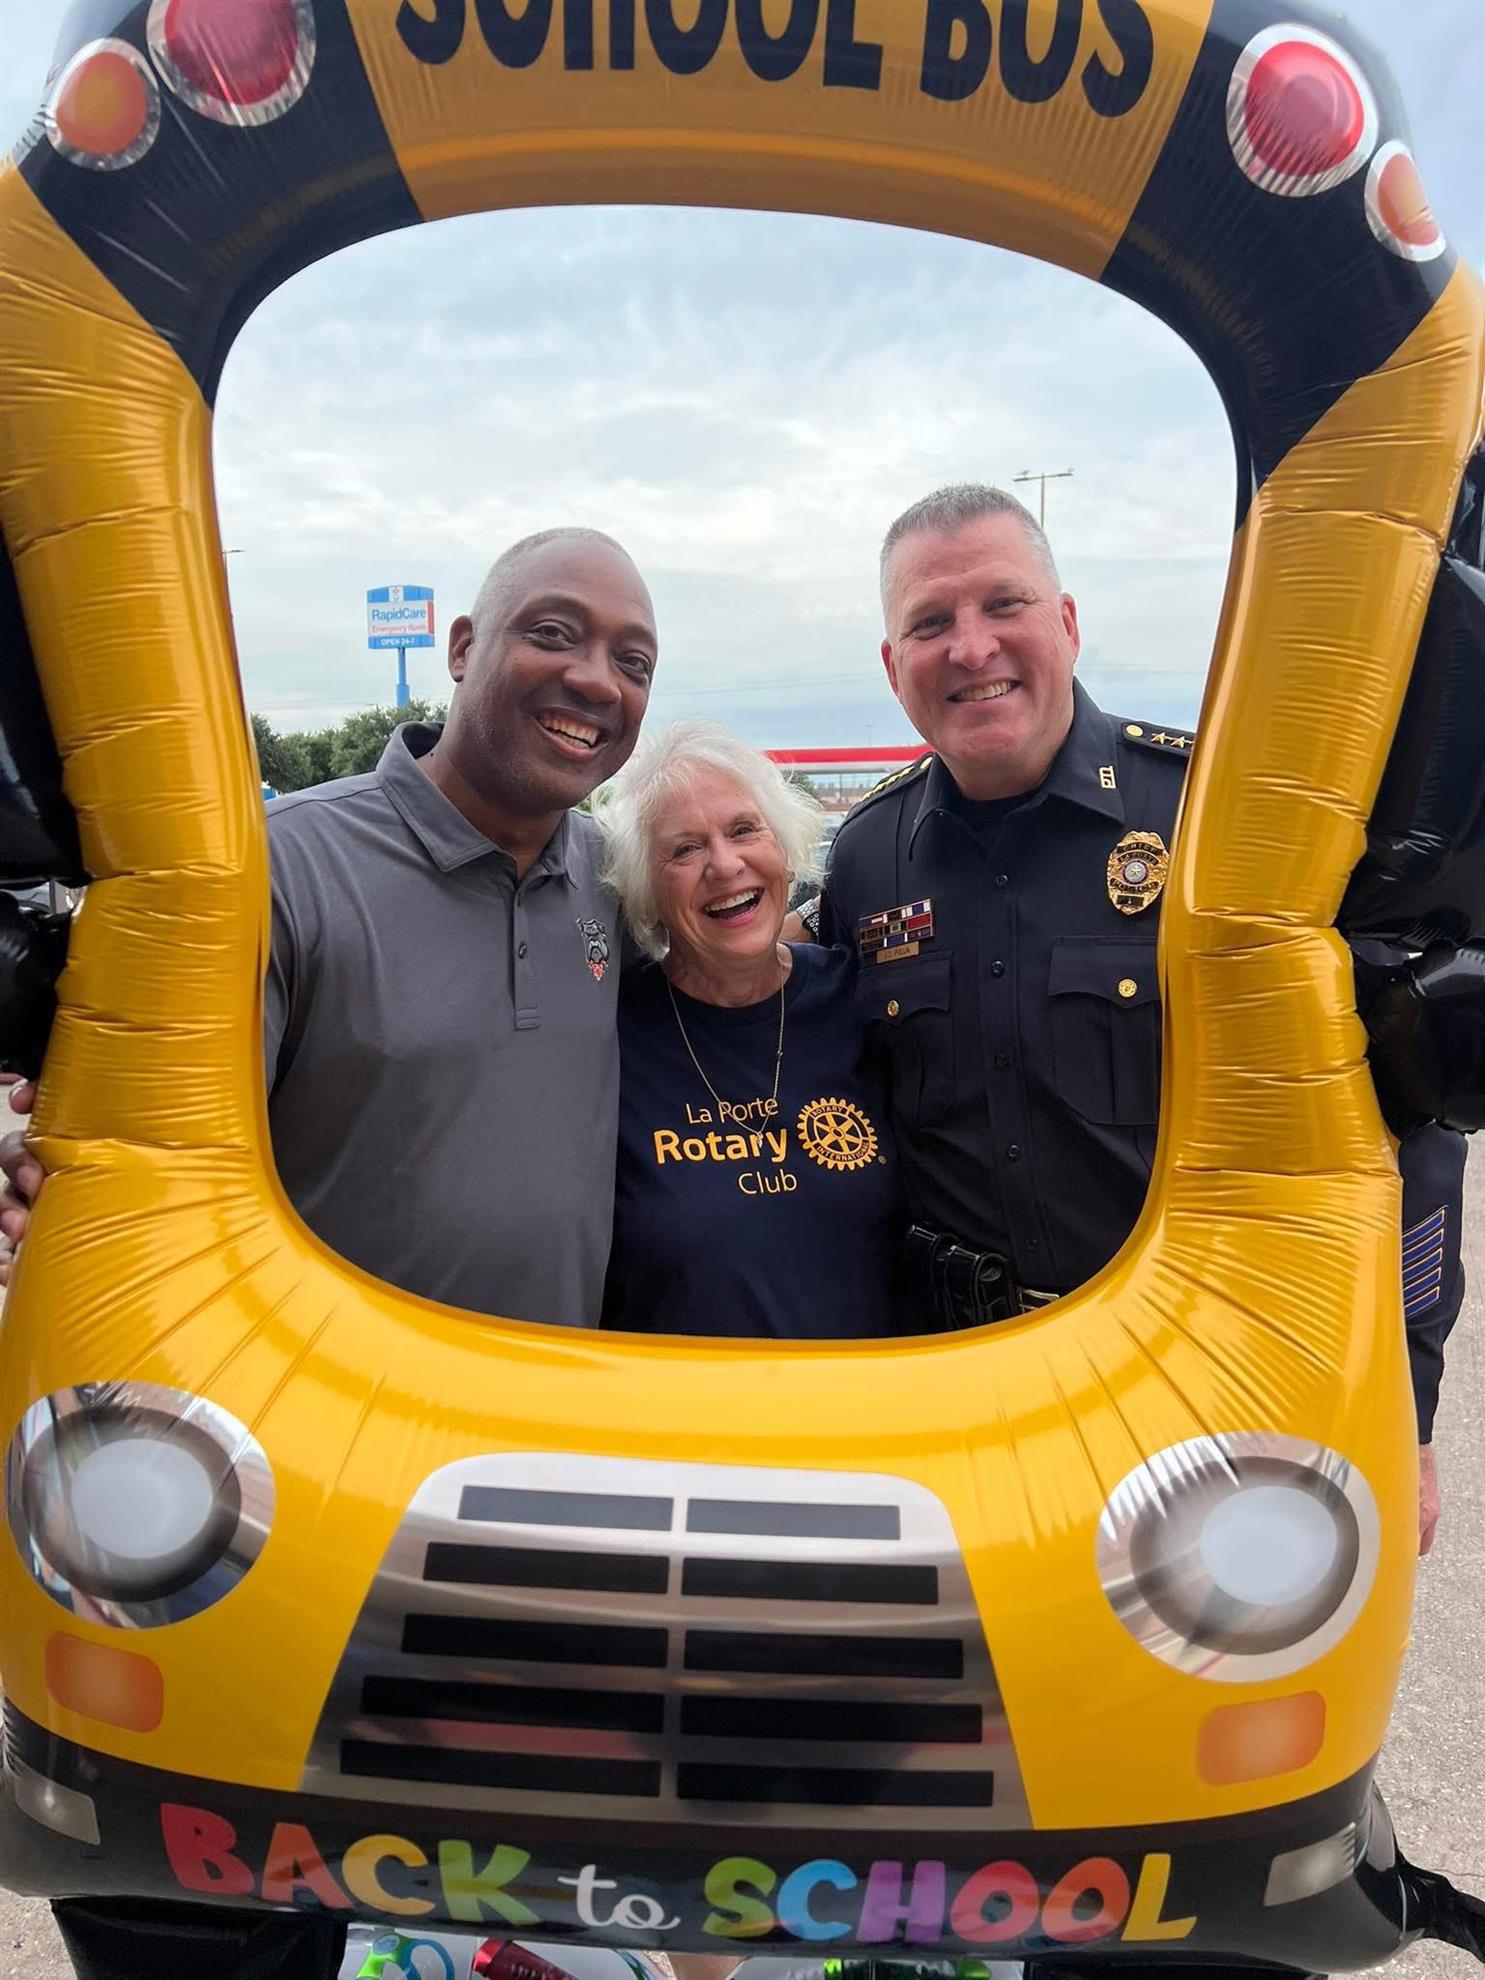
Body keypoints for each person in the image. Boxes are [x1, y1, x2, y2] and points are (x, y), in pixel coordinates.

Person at [803, 483, 1467, 1980]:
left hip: (1203, 1419)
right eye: (930, 622)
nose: (972, 646)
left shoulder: (1218, 819)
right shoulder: (868, 864)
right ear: (892, 664)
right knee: (1011, 1819)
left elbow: (1406, 1137)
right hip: (967, 1413)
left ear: (1067, 620)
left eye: (1001, 604)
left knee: (1211, 1837)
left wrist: (1406, 1403)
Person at [0, 522, 659, 1976]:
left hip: (519, 1527)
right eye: (555, 632)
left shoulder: (609, 888)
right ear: (464, 649)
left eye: (633, 660)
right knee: (224, 1927)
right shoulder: (280, 872)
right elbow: (138, 1162)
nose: (595, 680)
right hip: (285, 1524)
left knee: (485, 1922)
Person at [596, 720, 898, 1337]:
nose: (725, 864)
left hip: (877, 1392)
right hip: (685, 1397)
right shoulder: (610, 1036)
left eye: (743, 830)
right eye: (684, 849)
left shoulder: (859, 999)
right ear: (647, 889)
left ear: (782, 846)